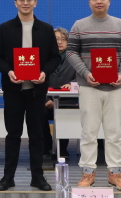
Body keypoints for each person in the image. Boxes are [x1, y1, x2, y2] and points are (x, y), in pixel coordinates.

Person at [0, 0, 59, 191]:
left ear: (35, 3)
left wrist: (44, 72)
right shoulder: (5, 28)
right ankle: (8, 177)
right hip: (13, 91)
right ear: (15, 3)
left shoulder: (46, 29)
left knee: (37, 135)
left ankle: (37, 177)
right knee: (12, 135)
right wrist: (9, 71)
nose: (25, 3)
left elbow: (55, 57)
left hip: (37, 91)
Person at [67, 0, 121, 191]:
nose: (99, 1)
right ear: (89, 2)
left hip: (115, 88)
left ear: (109, 1)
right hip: (89, 87)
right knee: (88, 132)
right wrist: (85, 73)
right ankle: (88, 173)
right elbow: (71, 52)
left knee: (114, 133)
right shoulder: (79, 25)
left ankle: (115, 173)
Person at [43, 27, 77, 160]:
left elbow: (81, 77)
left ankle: (62, 148)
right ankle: (46, 145)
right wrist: (46, 100)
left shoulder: (74, 59)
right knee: (38, 113)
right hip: (47, 101)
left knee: (65, 114)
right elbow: (38, 80)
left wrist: (72, 84)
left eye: (63, 39)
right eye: (56, 39)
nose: (59, 42)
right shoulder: (44, 58)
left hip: (67, 101)